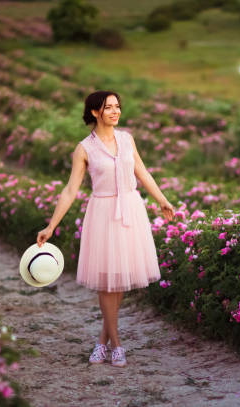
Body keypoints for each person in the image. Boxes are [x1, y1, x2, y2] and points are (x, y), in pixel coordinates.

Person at [36, 90, 175, 367]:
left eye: (117, 106)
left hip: (131, 210)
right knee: (106, 281)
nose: (115, 111)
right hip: (102, 213)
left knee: (119, 277)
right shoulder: (84, 149)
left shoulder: (127, 139)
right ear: (95, 113)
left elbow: (142, 172)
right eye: (108, 107)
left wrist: (163, 200)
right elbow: (69, 190)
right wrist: (51, 225)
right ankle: (117, 344)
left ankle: (102, 342)